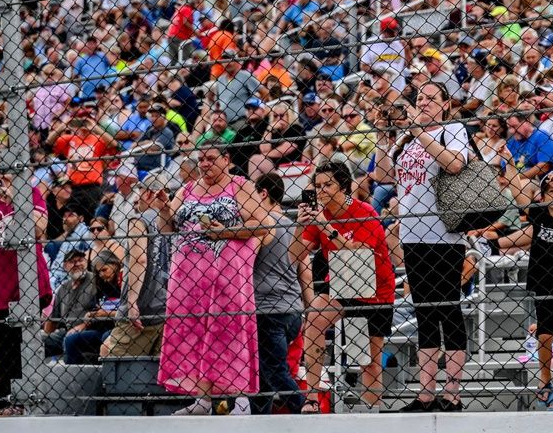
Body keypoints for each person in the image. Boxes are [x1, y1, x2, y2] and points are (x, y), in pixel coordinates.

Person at [378, 81, 469, 411]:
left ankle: (452, 393)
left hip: (444, 234)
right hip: (413, 235)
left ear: (445, 104)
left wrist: (420, 130)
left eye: (432, 98)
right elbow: (383, 174)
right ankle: (426, 393)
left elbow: (455, 164)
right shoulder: (407, 139)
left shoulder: (452, 129)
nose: (425, 102)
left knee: (448, 309)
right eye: (420, 98)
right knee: (425, 313)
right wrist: (383, 134)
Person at [159, 143, 264, 415]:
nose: (205, 164)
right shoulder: (187, 189)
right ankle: (203, 401)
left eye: (211, 159)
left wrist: (225, 232)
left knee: (229, 332)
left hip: (227, 275)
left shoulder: (240, 185)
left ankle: (241, 400)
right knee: (193, 333)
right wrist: (162, 209)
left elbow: (263, 224)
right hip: (187, 277)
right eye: (201, 159)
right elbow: (167, 228)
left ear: (226, 159)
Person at [292, 161, 395, 413]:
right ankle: (313, 397)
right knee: (314, 319)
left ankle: (372, 413)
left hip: (372, 289)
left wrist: (326, 228)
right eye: (317, 186)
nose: (321, 190)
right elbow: (294, 257)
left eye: (328, 185)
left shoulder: (364, 211)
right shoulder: (318, 215)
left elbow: (360, 254)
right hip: (341, 286)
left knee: (367, 362)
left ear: (344, 188)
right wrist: (301, 224)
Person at [488, 172, 553, 410]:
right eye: (551, 191)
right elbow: (519, 193)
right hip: (544, 282)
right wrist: (510, 164)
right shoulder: (540, 216)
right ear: (543, 197)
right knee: (545, 334)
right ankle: (545, 379)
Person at [0, 172, 51, 416]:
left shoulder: (30, 193)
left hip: (24, 280)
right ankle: (3, 403)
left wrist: (14, 198)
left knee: (22, 344)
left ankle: (27, 401)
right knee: (0, 348)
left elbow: (39, 228)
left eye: (5, 170)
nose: (1, 175)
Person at [251, 172, 310, 415]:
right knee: (264, 374)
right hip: (292, 308)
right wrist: (308, 308)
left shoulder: (262, 226)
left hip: (267, 309)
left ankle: (306, 407)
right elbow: (305, 272)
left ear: (263, 193)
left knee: (274, 371)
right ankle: (259, 421)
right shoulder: (293, 226)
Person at [101, 172, 172, 359]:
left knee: (112, 360)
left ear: (147, 193)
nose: (136, 198)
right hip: (169, 306)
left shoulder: (139, 221)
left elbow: (139, 259)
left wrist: (132, 301)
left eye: (138, 191)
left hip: (143, 306)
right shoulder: (171, 220)